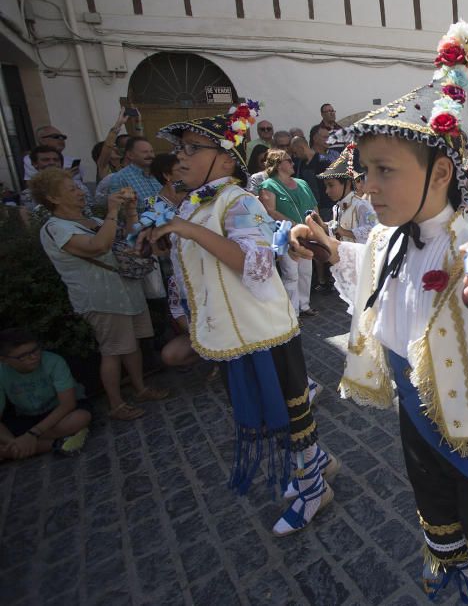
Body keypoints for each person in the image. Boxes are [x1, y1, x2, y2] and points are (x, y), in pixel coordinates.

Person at [290, 14, 468, 605]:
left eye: (384, 171)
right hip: (419, 428)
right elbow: (372, 267)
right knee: (451, 542)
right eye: (365, 172)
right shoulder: (392, 238)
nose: (367, 187)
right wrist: (330, 246)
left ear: (440, 171)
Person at [140, 100, 333, 536]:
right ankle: (315, 466)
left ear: (226, 157)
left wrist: (184, 231)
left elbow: (257, 267)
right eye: (180, 149)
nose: (180, 157)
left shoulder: (238, 202)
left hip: (264, 332)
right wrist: (167, 237)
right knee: (267, 414)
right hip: (233, 332)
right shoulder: (195, 204)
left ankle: (314, 487)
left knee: (290, 415)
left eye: (191, 148)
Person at [32, 168, 164, 421]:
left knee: (132, 344)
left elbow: (130, 238)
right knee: (113, 350)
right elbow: (98, 246)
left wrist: (130, 210)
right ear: (54, 198)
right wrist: (113, 212)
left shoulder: (89, 219)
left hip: (125, 291)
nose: (80, 192)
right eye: (71, 189)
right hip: (101, 299)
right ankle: (116, 403)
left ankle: (140, 389)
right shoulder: (56, 228)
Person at [0, 328, 92, 459]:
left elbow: (68, 404)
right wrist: (14, 442)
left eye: (35, 350)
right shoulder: (1, 372)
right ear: (3, 360)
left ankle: (29, 445)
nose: (34, 357)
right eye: (23, 356)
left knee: (80, 418)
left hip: (59, 412)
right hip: (27, 417)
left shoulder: (53, 361)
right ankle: (57, 444)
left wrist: (32, 434)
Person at [260, 149, 320, 318]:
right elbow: (270, 211)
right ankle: (292, 313)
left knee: (306, 270)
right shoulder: (268, 185)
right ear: (278, 165)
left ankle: (304, 305)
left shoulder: (301, 183)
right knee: (291, 274)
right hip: (285, 234)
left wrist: (315, 224)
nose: (293, 163)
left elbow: (313, 205)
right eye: (288, 160)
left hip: (306, 234)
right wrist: (294, 225)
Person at [316, 144, 376, 244]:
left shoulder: (361, 205)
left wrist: (344, 232)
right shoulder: (336, 208)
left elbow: (373, 230)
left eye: (331, 185)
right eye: (326, 186)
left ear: (347, 184)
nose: (327, 191)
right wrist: (320, 224)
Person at [24, 126, 92, 206]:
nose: (61, 139)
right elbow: (33, 185)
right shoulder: (29, 159)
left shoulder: (72, 160)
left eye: (63, 137)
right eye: (56, 137)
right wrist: (64, 176)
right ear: (42, 139)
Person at [107, 137, 162, 207]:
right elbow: (120, 210)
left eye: (151, 151)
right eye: (145, 152)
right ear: (130, 155)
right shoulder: (120, 178)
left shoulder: (161, 173)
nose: (150, 155)